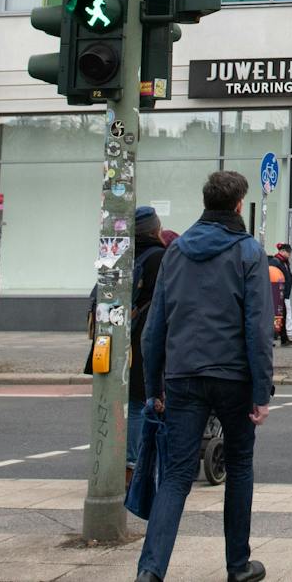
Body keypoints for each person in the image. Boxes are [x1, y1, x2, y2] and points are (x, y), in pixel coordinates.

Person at [135, 170, 273, 582]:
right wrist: (261, 391)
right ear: (236, 205)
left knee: (176, 475)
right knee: (239, 466)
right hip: (234, 376)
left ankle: (150, 571)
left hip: (182, 375)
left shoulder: (175, 254)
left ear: (205, 202)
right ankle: (237, 566)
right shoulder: (249, 252)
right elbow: (258, 328)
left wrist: (154, 384)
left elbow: (154, 327)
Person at [126, 206, 167, 490]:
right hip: (147, 334)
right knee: (145, 401)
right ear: (154, 229)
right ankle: (135, 468)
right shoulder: (160, 257)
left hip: (122, 336)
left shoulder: (123, 256)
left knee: (130, 401)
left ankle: (126, 466)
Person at [274, 243, 292, 343]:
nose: (290, 254)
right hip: (279, 293)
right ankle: (286, 334)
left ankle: (284, 336)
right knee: (283, 314)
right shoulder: (276, 262)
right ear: (282, 251)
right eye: (288, 252)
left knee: (284, 314)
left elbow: (289, 276)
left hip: (284, 293)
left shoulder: (284, 262)